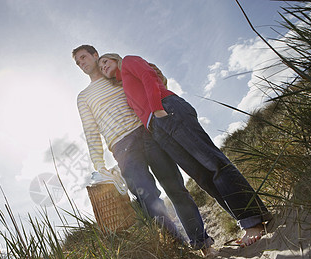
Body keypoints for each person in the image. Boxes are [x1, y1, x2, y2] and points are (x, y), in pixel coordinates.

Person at [98, 53, 272, 247]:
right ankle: (246, 221)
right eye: (101, 66)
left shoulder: (129, 61)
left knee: (213, 163)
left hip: (167, 111)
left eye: (105, 61)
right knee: (203, 177)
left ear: (115, 58)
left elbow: (149, 76)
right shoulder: (124, 86)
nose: (103, 66)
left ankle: (254, 221)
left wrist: (157, 109)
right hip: (157, 128)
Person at [72, 45, 216, 255]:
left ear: (96, 55)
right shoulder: (83, 97)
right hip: (122, 148)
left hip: (148, 133)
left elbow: (150, 83)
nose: (81, 63)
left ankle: (201, 242)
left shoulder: (118, 77)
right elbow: (90, 130)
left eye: (83, 57)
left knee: (175, 188)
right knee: (148, 199)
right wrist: (99, 165)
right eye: (77, 62)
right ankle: (178, 251)